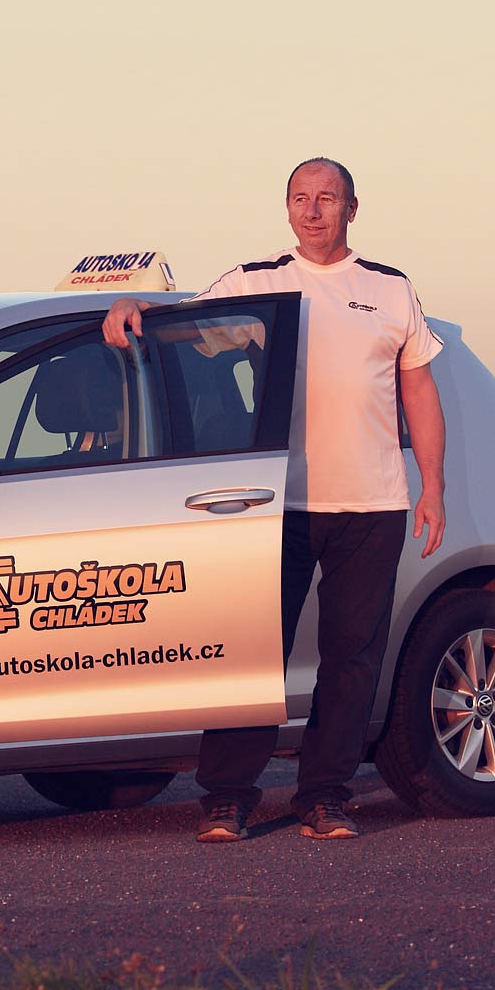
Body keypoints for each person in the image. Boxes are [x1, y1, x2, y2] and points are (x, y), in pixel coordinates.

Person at [100, 157, 448, 843]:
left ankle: (324, 797)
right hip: (276, 504)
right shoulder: (256, 282)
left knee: (351, 660)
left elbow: (418, 389)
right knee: (255, 655)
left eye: (327, 198)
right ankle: (227, 798)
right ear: (287, 208)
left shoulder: (390, 289)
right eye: (300, 198)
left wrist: (432, 485)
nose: (313, 210)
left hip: (372, 503)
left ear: (352, 208)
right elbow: (184, 328)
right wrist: (131, 304)